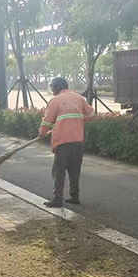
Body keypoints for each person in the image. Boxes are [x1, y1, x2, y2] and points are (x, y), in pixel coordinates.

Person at [38, 77, 94, 207]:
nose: (52, 92)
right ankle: (75, 196)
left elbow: (47, 121)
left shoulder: (55, 101)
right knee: (74, 170)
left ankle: (57, 199)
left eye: (53, 89)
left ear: (57, 88)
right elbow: (91, 115)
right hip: (78, 141)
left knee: (59, 170)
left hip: (63, 142)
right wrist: (77, 121)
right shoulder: (79, 98)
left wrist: (42, 133)